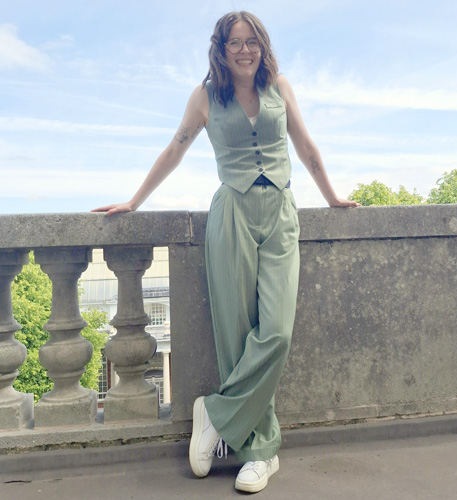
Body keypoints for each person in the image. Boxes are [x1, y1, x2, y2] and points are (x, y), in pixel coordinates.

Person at [93, 11, 360, 494]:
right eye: (234, 42)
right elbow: (174, 150)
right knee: (237, 337)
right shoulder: (205, 96)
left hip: (280, 212)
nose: (244, 50)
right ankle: (259, 454)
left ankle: (215, 413)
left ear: (262, 45)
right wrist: (134, 201)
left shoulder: (279, 86)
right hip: (232, 214)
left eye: (251, 41)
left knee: (276, 332)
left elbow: (305, 146)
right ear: (220, 48)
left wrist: (332, 196)